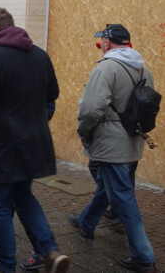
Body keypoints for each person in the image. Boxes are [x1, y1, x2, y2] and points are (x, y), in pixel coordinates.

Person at [0, 8, 69, 273]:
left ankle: (5, 265)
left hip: (2, 145)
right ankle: (49, 251)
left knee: (0, 205)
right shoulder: (39, 55)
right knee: (24, 196)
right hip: (34, 143)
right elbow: (53, 94)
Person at [73, 24, 157, 273]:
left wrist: (83, 131)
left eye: (101, 43)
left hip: (111, 143)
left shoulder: (107, 67)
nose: (100, 47)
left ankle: (144, 256)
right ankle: (86, 222)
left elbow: (91, 108)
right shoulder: (144, 68)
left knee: (123, 198)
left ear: (108, 43)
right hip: (133, 140)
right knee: (110, 186)